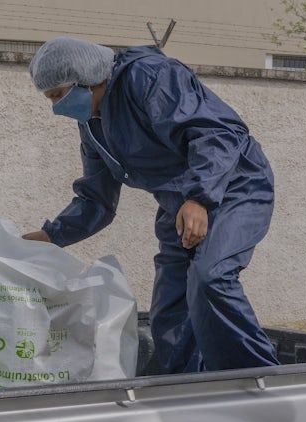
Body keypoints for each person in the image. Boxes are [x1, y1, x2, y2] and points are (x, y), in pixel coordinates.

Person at [24, 37, 280, 373]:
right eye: (50, 99)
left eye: (58, 95)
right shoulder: (92, 125)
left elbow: (215, 134)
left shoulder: (147, 76)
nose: (56, 107)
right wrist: (50, 237)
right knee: (171, 308)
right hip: (181, 203)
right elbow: (96, 198)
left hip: (234, 183)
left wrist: (199, 197)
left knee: (210, 277)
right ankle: (183, 392)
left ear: (86, 77)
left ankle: (260, 381)